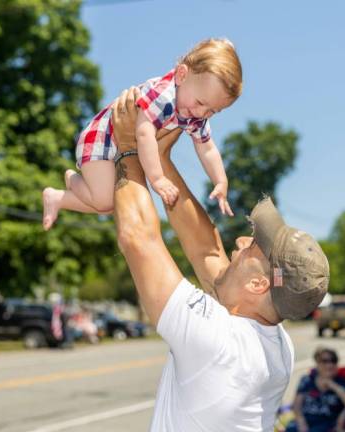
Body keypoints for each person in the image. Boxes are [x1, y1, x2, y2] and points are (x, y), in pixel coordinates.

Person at [108, 87, 329, 431]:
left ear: (258, 284)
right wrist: (161, 165)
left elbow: (138, 240)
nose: (239, 241)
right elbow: (206, 250)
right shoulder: (273, 340)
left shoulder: (216, 341)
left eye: (252, 246)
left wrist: (127, 151)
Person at [42, 38, 241, 230]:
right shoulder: (164, 96)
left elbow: (207, 148)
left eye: (212, 111)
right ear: (181, 75)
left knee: (109, 205)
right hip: (102, 139)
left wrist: (221, 181)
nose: (202, 113)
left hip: (118, 146)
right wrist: (157, 179)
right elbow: (144, 134)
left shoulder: (195, 111)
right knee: (103, 201)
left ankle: (57, 198)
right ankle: (72, 180)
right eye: (200, 103)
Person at [286, 347, 345, 432]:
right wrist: (301, 422)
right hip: (304, 421)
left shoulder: (342, 381)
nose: (330, 365)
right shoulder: (307, 380)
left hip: (327, 423)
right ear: (317, 363)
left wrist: (333, 385)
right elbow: (297, 405)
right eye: (325, 361)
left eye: (333, 360)